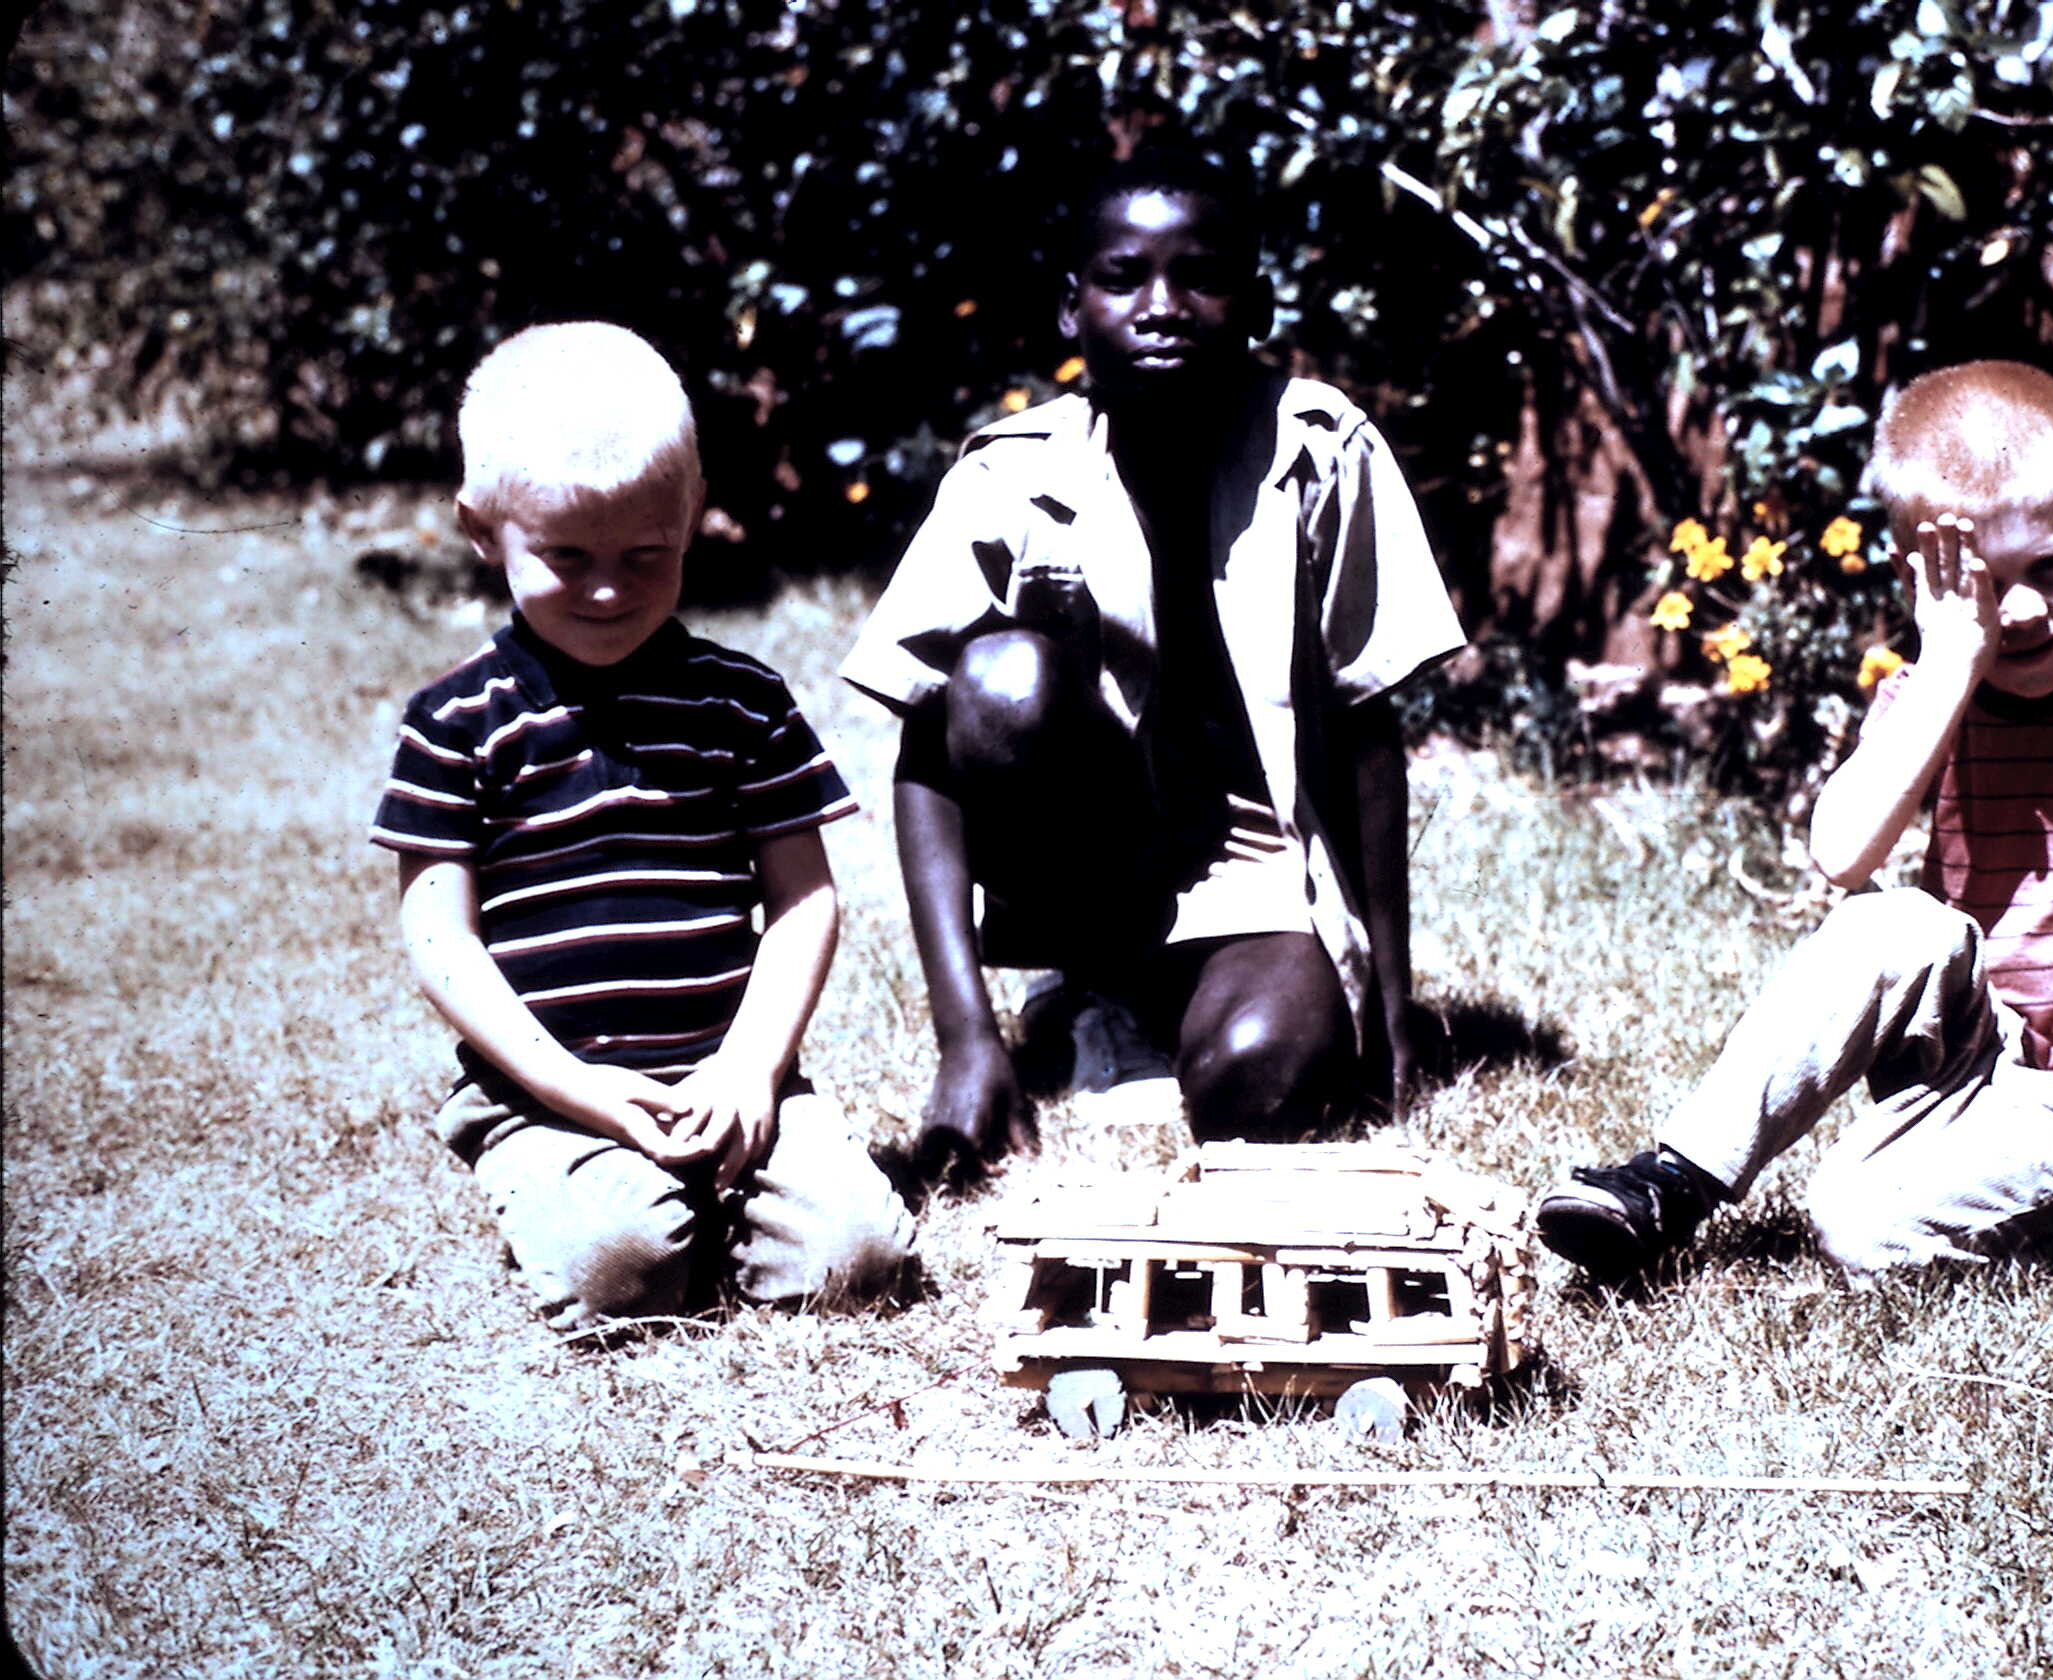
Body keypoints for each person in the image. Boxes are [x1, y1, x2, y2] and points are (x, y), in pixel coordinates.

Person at [1537, 359, 2053, 1282]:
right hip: (1971, 1050)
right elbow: (1842, 857)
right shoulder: (1935, 691)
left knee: (1854, 1226)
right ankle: (1674, 1182)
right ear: (1924, 580)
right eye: (1990, 587)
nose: (2028, 612)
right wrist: (1954, 663)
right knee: (1890, 918)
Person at [840, 141, 1464, 1185]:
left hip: (1262, 872)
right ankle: (1086, 986)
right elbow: (926, 750)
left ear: (1256, 304)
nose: (1164, 305)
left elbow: (1367, 722)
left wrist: (1389, 1004)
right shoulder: (1011, 479)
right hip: (1095, 862)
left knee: (1257, 1094)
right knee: (998, 680)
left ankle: (1178, 1011)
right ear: (1071, 309)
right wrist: (964, 1035)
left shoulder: (1322, 454)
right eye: (1124, 278)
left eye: (1204, 277)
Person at [371, 322, 913, 1334]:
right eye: (567, 557)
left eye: (646, 555)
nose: (609, 590)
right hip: (546, 1092)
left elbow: (805, 898)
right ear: (483, 530)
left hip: (734, 1074)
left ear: (695, 517)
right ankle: (593, 1196)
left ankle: (720, 1194)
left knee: (860, 1261)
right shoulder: (455, 722)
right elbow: (440, 940)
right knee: (621, 1274)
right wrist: (576, 1090)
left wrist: (752, 1066)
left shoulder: (741, 703)